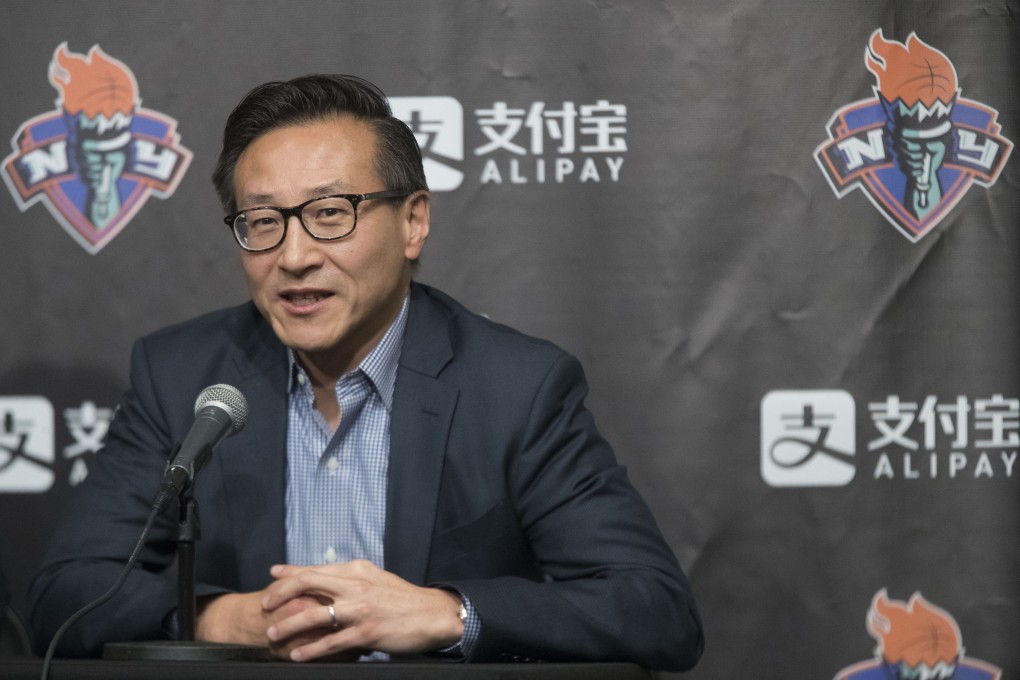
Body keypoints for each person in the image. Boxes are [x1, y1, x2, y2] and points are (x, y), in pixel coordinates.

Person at [27, 74, 704, 669]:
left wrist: (445, 615)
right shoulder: (184, 377)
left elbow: (654, 610)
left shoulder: (516, 387)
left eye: (329, 214)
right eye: (261, 221)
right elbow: (64, 597)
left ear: (413, 222)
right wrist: (222, 620)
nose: (293, 256)